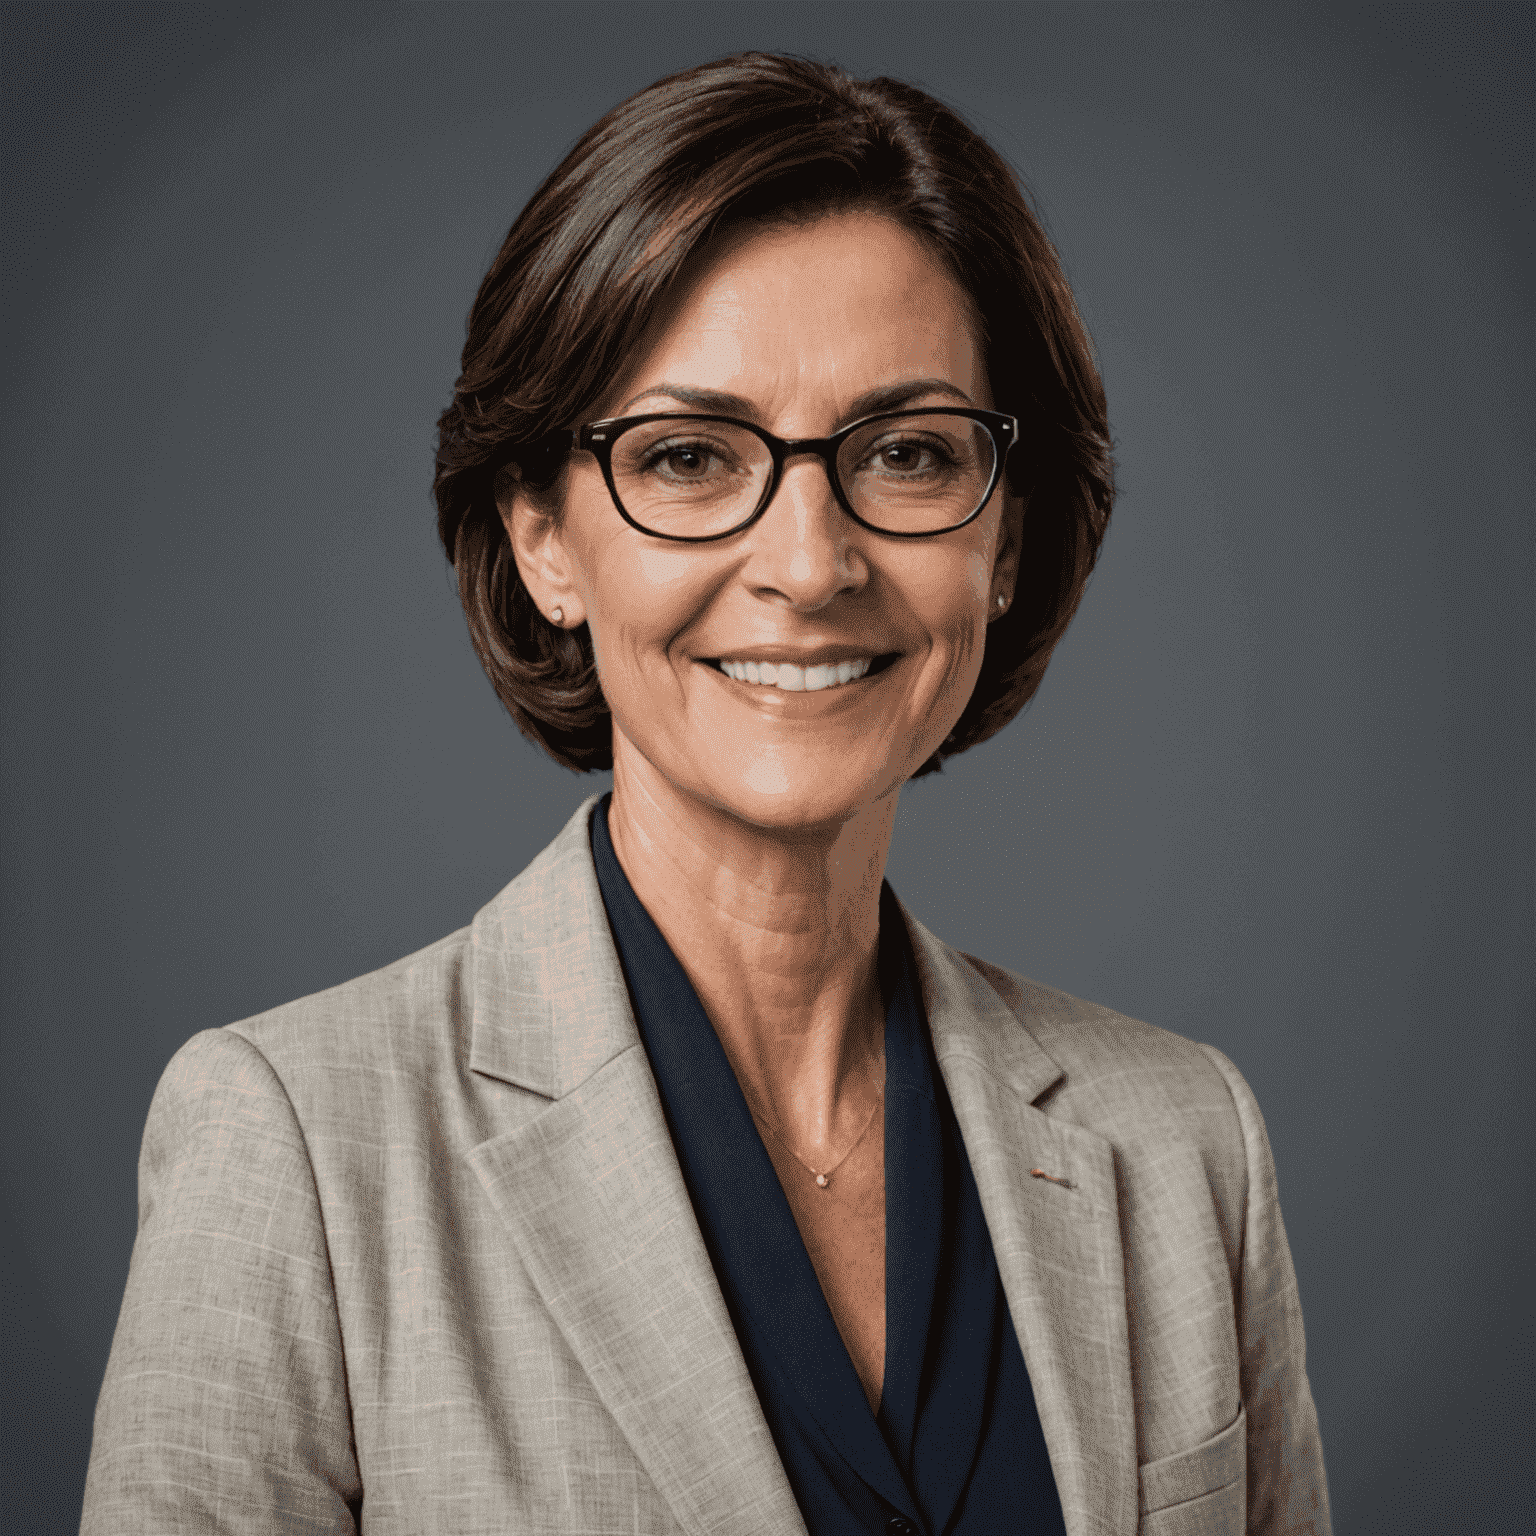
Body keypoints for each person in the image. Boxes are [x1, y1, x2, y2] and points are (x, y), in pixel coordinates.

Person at [81, 52, 1330, 1536]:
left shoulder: (1186, 1147)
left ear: (1006, 536)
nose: (810, 564)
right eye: (687, 456)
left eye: (912, 453)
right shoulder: (294, 1149)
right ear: (542, 536)